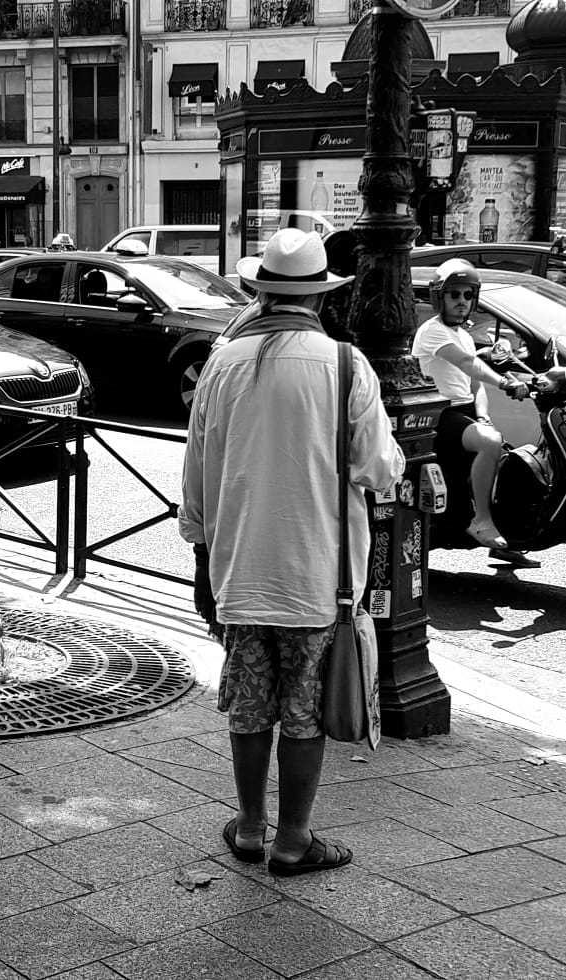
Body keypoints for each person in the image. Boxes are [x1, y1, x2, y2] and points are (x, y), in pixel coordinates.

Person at [180, 228, 404, 877]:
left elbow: (196, 475)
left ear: (259, 291)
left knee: (250, 706)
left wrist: (200, 554)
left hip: (241, 573)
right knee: (302, 710)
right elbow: (377, 468)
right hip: (318, 579)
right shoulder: (344, 366)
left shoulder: (221, 362)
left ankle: (249, 828)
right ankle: (293, 839)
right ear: (320, 296)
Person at [411, 259, 530, 552]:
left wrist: (483, 415)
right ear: (440, 296)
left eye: (467, 295)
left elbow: (475, 386)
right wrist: (504, 383)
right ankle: (481, 519)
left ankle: (508, 540)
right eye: (454, 294)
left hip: (463, 413)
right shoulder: (432, 331)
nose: (462, 301)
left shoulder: (463, 334)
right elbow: (468, 364)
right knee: (490, 443)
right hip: (439, 414)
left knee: (509, 457)